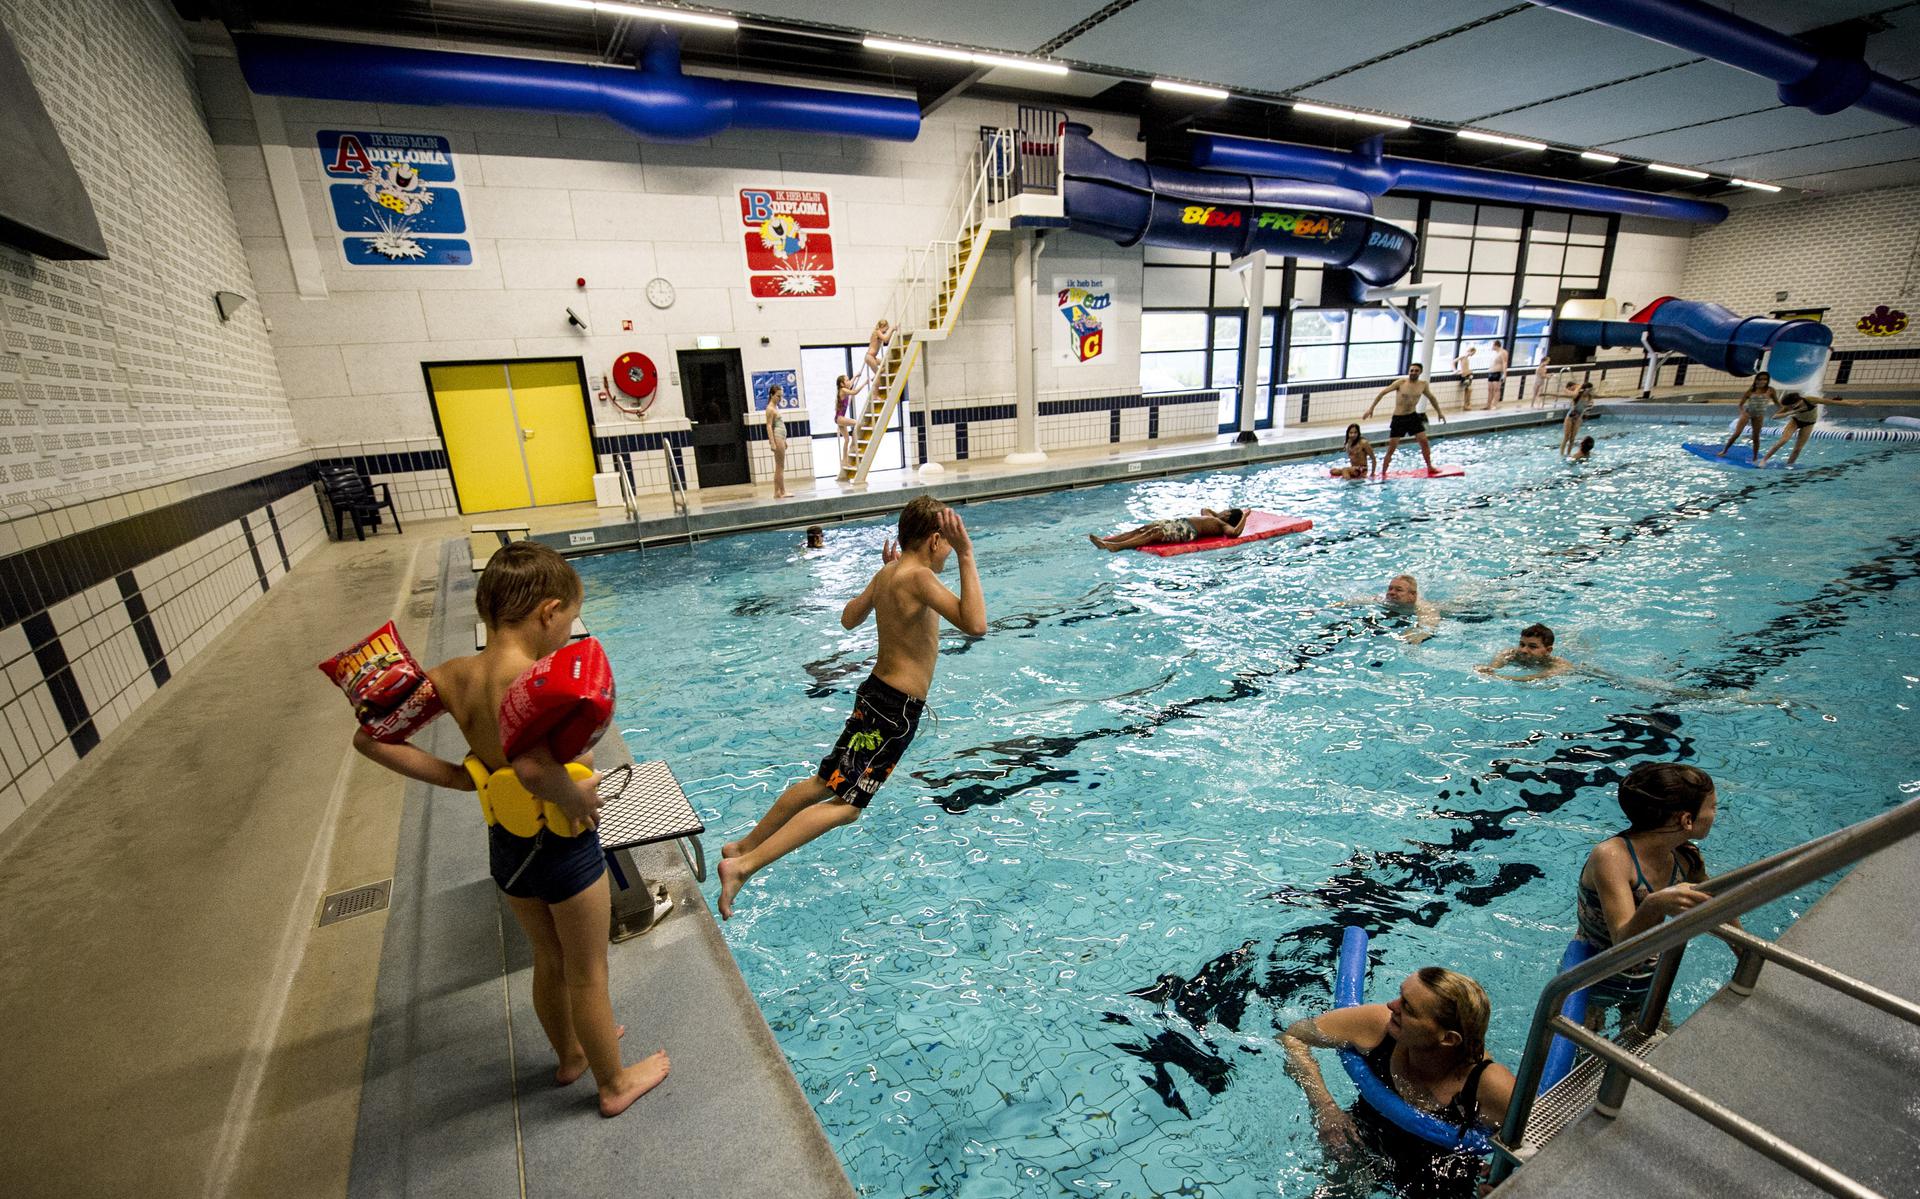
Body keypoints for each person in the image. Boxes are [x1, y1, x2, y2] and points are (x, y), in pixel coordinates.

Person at [353, 543, 669, 1117]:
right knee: (588, 971)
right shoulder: (534, 679)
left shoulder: (454, 674)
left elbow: (370, 738)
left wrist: (459, 777)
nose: (570, 632)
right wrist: (574, 794)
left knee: (547, 960)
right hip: (564, 850)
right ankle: (614, 1083)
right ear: (548, 612)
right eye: (570, 620)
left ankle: (572, 1054)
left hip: (508, 850)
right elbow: (531, 768)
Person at [718, 497, 986, 919]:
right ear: (936, 539)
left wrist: (884, 574)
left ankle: (744, 845)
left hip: (873, 695)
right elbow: (975, 623)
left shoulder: (890, 574)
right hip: (894, 711)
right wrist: (969, 555)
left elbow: (848, 618)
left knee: (823, 782)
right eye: (949, 543)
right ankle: (743, 866)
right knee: (846, 807)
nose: (952, 550)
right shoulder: (918, 578)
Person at [1282, 966, 1516, 1199]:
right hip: (1365, 1140)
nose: (1391, 1006)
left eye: (1408, 1008)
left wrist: (1506, 1181)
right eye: (1401, 995)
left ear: (1448, 1039)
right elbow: (1292, 1037)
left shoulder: (1490, 1085)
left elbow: (1538, 1150)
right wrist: (1325, 1108)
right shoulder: (1378, 1026)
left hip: (1444, 1171)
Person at [1575, 762, 1716, 1029]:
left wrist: (1745, 950)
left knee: (1652, 1054)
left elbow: (1715, 906)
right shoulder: (1612, 857)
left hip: (1646, 981)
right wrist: (1655, 903)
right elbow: (1622, 942)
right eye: (1713, 807)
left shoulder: (1686, 858)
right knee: (1581, 1059)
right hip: (1593, 980)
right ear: (1687, 820)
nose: (1715, 814)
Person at [1363, 364, 1449, 475]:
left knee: (1424, 442)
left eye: (1416, 371)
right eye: (1411, 370)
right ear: (1408, 371)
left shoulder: (1423, 385)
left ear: (1420, 372)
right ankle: (1383, 472)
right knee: (1392, 448)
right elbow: (1382, 393)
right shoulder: (1401, 383)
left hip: (1412, 416)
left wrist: (1439, 412)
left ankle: (1429, 466)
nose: (1413, 372)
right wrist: (1371, 409)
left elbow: (1432, 398)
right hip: (1398, 418)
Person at [1760, 391, 1855, 466]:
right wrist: (1791, 412)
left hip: (1808, 424)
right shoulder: (1790, 406)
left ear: (1798, 401)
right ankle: (1764, 460)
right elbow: (1775, 416)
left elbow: (1829, 401)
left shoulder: (1810, 400)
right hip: (1795, 421)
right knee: (1783, 440)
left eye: (1791, 406)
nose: (1790, 407)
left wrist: (1853, 403)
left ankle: (1789, 465)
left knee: (1797, 449)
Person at [1088, 507, 1248, 551]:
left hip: (1187, 531)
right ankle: (1106, 541)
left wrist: (1244, 517)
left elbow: (1235, 534)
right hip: (1178, 523)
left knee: (1153, 533)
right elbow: (1204, 509)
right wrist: (1218, 514)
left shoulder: (1222, 525)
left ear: (1227, 516)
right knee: (1144, 528)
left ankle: (1117, 547)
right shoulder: (1213, 517)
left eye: (1226, 511)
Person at [1478, 623, 1572, 680]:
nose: (1523, 650)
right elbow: (1493, 668)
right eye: (1522, 644)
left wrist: (1502, 678)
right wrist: (1487, 670)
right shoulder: (1510, 654)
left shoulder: (1559, 665)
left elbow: (1535, 678)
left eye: (1532, 647)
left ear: (1548, 650)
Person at [1717, 371, 1777, 461]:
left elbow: (1777, 403)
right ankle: (1724, 450)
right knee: (1736, 434)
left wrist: (1785, 410)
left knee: (1756, 437)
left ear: (1767, 381)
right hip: (1748, 413)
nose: (1763, 381)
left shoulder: (1770, 390)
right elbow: (1741, 404)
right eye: (1760, 379)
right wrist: (1743, 412)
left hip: (1759, 415)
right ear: (1756, 380)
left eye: (1765, 379)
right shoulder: (1751, 391)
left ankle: (1755, 457)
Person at [835, 374, 868, 467]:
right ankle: (853, 446)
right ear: (842, 384)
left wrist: (855, 376)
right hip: (840, 418)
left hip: (839, 418)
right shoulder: (843, 390)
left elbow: (850, 385)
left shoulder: (844, 389)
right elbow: (854, 392)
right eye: (847, 380)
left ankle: (844, 461)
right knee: (857, 423)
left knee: (846, 439)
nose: (849, 381)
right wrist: (864, 383)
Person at [765, 384, 790, 499]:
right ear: (771, 395)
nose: (780, 399)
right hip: (777, 437)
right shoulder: (770, 409)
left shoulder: (775, 407)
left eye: (781, 397)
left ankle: (777, 492)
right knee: (780, 466)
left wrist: (784, 441)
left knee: (779, 466)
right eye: (778, 396)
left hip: (781, 438)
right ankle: (782, 491)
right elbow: (769, 426)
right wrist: (772, 443)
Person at [1559, 382, 1595, 457]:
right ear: (1585, 389)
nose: (1591, 391)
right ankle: (1561, 455)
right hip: (1570, 417)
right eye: (1590, 390)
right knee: (1566, 437)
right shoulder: (1577, 395)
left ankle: (1568, 454)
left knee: (1572, 439)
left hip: (1578, 418)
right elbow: (1567, 393)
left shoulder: (1590, 397)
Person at [1484, 343, 1509, 409]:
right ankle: (1488, 405)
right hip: (1491, 372)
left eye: (1492, 345)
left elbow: (1505, 363)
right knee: (1490, 390)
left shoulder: (1503, 352)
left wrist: (1504, 374)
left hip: (1497, 373)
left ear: (1496, 345)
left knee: (1496, 390)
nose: (1491, 347)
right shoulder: (1494, 353)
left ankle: (1494, 405)